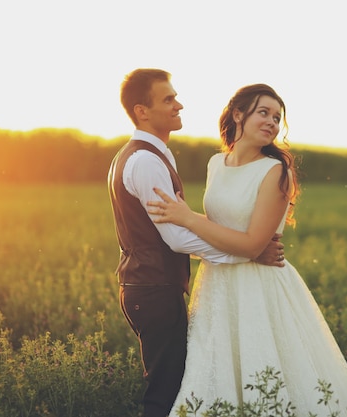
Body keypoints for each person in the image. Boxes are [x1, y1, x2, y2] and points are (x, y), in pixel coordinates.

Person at [147, 84, 347, 416]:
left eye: (277, 118)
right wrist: (191, 223)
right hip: (217, 287)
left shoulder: (277, 171)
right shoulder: (215, 163)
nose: (272, 123)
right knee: (215, 371)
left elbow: (253, 244)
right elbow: (217, 229)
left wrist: (188, 218)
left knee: (264, 374)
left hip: (259, 288)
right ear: (239, 114)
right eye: (263, 113)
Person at [107, 69, 285, 417]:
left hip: (156, 285)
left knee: (184, 382)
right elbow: (175, 236)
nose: (179, 105)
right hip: (153, 287)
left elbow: (188, 223)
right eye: (168, 99)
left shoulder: (148, 155)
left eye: (277, 117)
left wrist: (241, 246)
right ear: (143, 111)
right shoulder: (144, 160)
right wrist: (247, 253)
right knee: (166, 391)